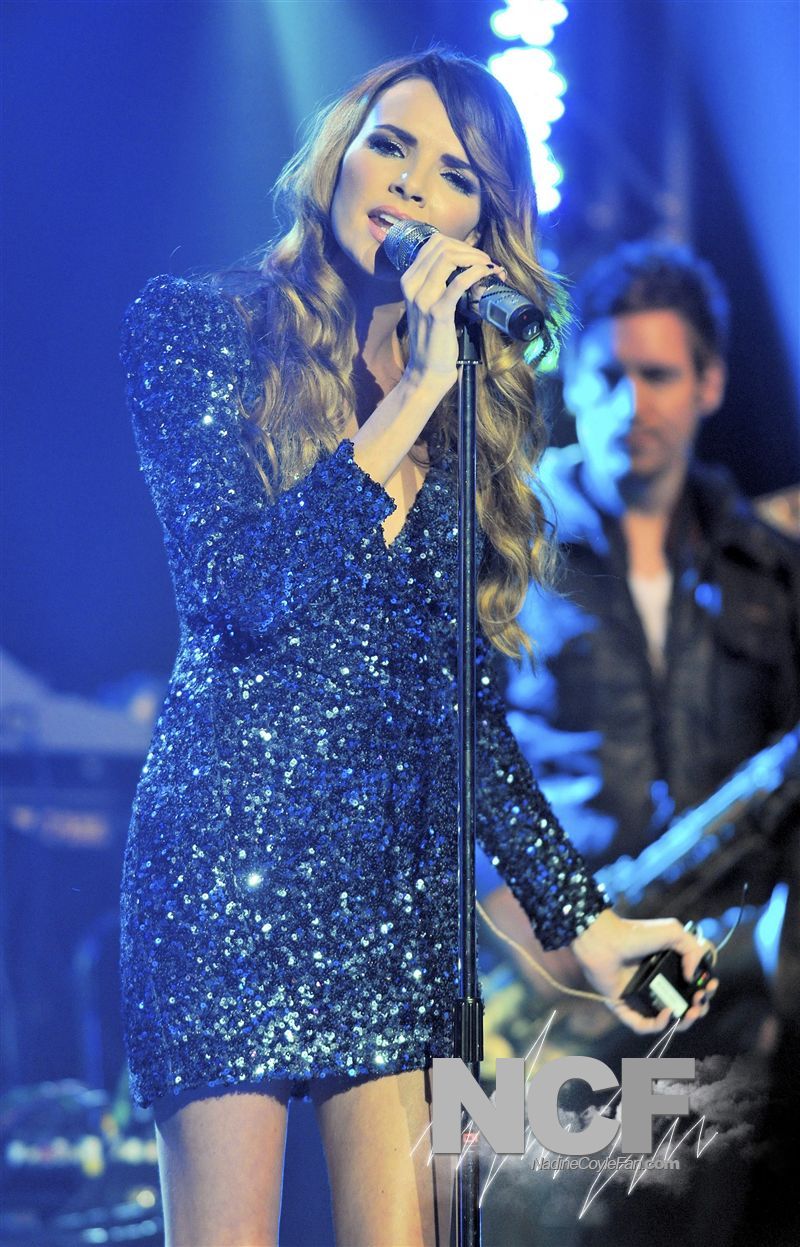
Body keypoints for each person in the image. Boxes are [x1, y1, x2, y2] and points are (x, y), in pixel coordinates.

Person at [121, 56, 714, 1247]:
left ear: (477, 231)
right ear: (337, 154)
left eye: (451, 176)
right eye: (389, 145)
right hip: (227, 873)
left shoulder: (465, 404)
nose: (405, 185)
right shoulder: (199, 328)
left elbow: (460, 712)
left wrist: (586, 926)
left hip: (393, 905)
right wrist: (407, 404)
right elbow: (234, 592)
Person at [478, 240, 799, 1052]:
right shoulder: (505, 549)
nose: (631, 403)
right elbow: (445, 750)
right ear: (571, 379)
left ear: (709, 383)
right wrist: (508, 916)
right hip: (552, 977)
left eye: (657, 375)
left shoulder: (771, 566)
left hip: (731, 984)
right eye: (608, 375)